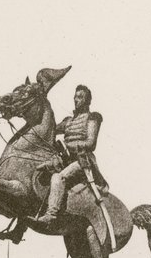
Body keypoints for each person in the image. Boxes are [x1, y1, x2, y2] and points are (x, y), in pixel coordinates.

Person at [40, 84, 105, 224]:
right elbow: (49, 130)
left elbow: (90, 144)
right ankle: (19, 229)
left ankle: (51, 215)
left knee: (58, 177)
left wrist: (69, 146)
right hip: (66, 160)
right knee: (39, 172)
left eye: (80, 97)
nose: (76, 100)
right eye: (75, 97)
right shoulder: (68, 121)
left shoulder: (93, 117)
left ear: (87, 100)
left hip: (82, 161)